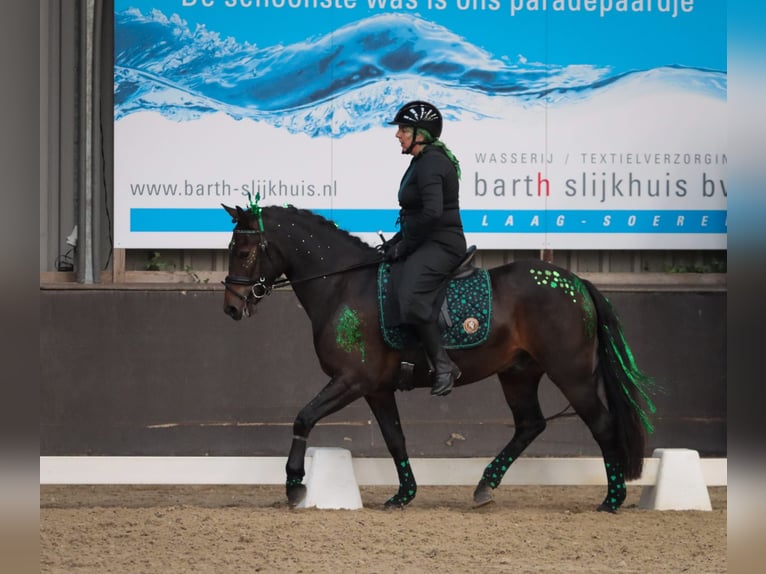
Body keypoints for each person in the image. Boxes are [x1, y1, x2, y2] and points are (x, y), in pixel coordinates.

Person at [382, 101, 467, 397]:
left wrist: (406, 244)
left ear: (421, 134)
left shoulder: (432, 162)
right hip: (427, 239)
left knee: (410, 294)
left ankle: (443, 365)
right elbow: (416, 215)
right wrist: (395, 243)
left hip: (442, 243)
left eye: (403, 129)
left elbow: (432, 214)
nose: (398, 135)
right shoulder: (420, 160)